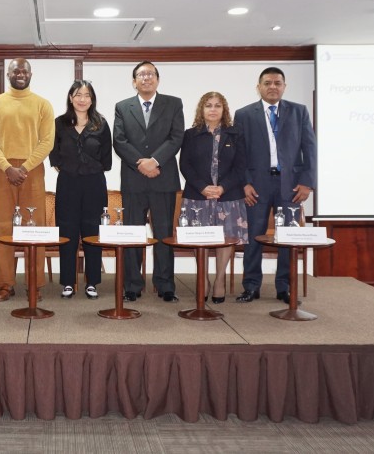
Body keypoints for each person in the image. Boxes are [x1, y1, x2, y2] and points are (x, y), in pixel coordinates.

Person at [233, 67, 316, 304]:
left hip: (290, 185)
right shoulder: (244, 114)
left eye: (277, 83)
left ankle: (284, 287)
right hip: (256, 185)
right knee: (253, 236)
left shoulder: (299, 112)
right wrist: (245, 184)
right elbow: (239, 154)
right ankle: (251, 286)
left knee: (287, 237)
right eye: (267, 83)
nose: (272, 87)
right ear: (258, 87)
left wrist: (307, 183)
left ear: (284, 86)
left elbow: (309, 148)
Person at [0, 57, 55, 302]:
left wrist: (24, 167)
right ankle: (5, 283)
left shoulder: (42, 105)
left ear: (31, 74)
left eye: (24, 71)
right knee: (3, 226)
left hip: (32, 170)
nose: (20, 74)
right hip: (3, 171)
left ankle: (34, 284)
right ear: (9, 75)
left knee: (34, 227)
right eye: (16, 71)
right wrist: (7, 167)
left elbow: (47, 142)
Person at [113, 61, 184, 302]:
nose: (146, 78)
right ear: (134, 81)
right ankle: (132, 285)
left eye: (150, 74)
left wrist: (155, 161)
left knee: (164, 234)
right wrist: (140, 164)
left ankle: (165, 285)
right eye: (141, 75)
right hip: (133, 180)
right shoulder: (123, 107)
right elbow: (119, 141)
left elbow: (176, 138)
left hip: (163, 179)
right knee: (133, 233)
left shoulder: (173, 104)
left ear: (157, 79)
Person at [178, 92, 249, 304]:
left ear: (224, 110)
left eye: (218, 105)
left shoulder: (235, 134)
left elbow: (241, 166)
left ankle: (219, 280)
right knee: (200, 239)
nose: (213, 109)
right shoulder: (191, 135)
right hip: (197, 197)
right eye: (208, 105)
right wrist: (202, 187)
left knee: (226, 238)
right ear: (201, 109)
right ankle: (204, 280)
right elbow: (185, 165)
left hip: (229, 197)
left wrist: (222, 188)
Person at [50, 80, 111, 299]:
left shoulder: (101, 123)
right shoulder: (59, 123)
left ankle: (92, 281)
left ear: (92, 99)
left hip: (94, 183)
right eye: (77, 95)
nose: (82, 99)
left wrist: (89, 168)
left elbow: (106, 158)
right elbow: (54, 154)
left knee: (92, 231)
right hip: (68, 182)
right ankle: (68, 281)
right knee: (67, 231)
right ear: (70, 98)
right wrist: (68, 167)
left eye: (86, 95)